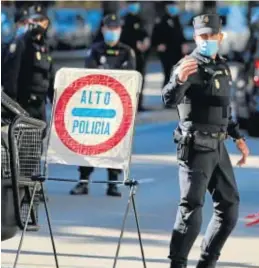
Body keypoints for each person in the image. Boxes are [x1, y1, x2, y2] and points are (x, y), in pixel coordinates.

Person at [162, 14, 250, 268]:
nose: (208, 41)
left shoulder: (221, 66)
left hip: (219, 144)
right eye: (203, 37)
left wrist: (237, 137)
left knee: (229, 207)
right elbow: (168, 100)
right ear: (196, 37)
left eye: (212, 37)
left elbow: (225, 109)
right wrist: (177, 80)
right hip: (195, 145)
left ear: (220, 38)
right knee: (191, 211)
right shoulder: (188, 65)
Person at [69, 13, 137, 197]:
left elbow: (129, 79)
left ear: (120, 30)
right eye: (109, 29)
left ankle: (112, 183)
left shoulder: (127, 52)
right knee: (89, 145)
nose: (112, 32)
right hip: (96, 108)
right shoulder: (95, 50)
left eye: (115, 29)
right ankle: (83, 181)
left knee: (115, 145)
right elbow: (89, 76)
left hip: (116, 108)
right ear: (103, 29)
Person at [2, 4, 54, 130]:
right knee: (23, 143)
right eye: (34, 20)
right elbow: (11, 77)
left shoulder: (44, 46)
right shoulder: (20, 44)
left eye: (40, 20)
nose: (36, 24)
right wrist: (13, 107)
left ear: (46, 23)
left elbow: (49, 76)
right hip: (23, 105)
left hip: (40, 105)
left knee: (38, 141)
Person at [151, 1, 188, 94]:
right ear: (167, 7)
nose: (174, 8)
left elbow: (180, 34)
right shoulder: (161, 20)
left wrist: (184, 44)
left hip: (177, 51)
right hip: (166, 52)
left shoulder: (177, 19)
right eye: (172, 6)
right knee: (168, 74)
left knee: (178, 74)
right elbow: (155, 36)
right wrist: (157, 45)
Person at [120, 1, 150, 111]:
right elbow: (124, 38)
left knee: (140, 80)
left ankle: (139, 104)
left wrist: (146, 41)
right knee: (130, 81)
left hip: (140, 56)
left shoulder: (140, 19)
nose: (135, 6)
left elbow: (144, 33)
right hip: (129, 55)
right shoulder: (124, 20)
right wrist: (135, 43)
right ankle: (129, 105)